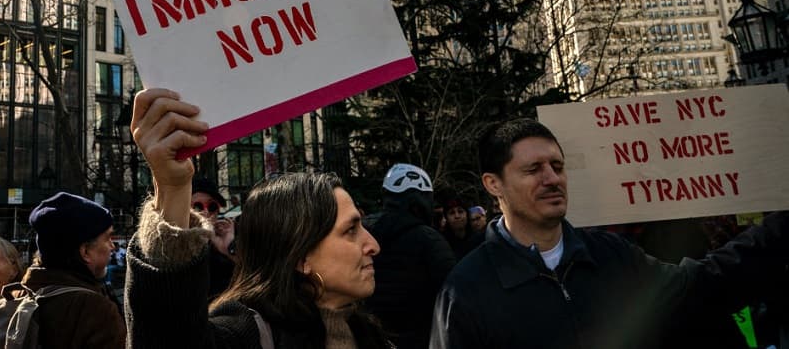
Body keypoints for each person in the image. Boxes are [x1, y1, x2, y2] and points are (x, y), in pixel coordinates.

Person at [431, 118, 789, 349]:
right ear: (494, 184)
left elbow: (699, 286)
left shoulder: (610, 256)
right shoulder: (466, 292)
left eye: (557, 166)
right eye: (533, 169)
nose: (552, 178)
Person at [125, 88, 392, 349]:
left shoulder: (371, 335)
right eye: (350, 230)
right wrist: (172, 187)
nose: (373, 245)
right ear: (301, 257)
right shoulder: (247, 336)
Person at [364, 163, 456, 349]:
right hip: (423, 339)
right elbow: (456, 293)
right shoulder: (430, 239)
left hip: (372, 338)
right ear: (420, 199)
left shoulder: (363, 232)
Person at [21, 192, 126, 349]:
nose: (112, 246)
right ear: (85, 252)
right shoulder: (97, 311)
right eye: (107, 238)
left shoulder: (19, 295)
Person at [192, 177, 236, 300]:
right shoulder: (174, 248)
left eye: (211, 207)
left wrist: (228, 250)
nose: (206, 213)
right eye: (197, 207)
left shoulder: (225, 243)